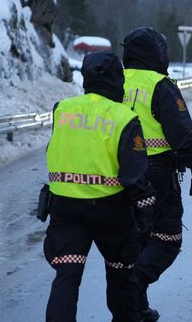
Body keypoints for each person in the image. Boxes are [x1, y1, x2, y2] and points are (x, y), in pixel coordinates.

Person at [43, 51, 155, 322]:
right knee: (121, 275)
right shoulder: (123, 117)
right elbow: (135, 175)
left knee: (66, 276)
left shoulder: (63, 108)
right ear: (117, 79)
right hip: (111, 211)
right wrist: (146, 216)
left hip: (65, 207)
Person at [121, 27, 192, 320]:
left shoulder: (114, 80)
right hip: (156, 175)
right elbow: (182, 132)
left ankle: (137, 307)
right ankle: (132, 289)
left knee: (139, 239)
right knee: (168, 239)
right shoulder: (161, 84)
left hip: (120, 177)